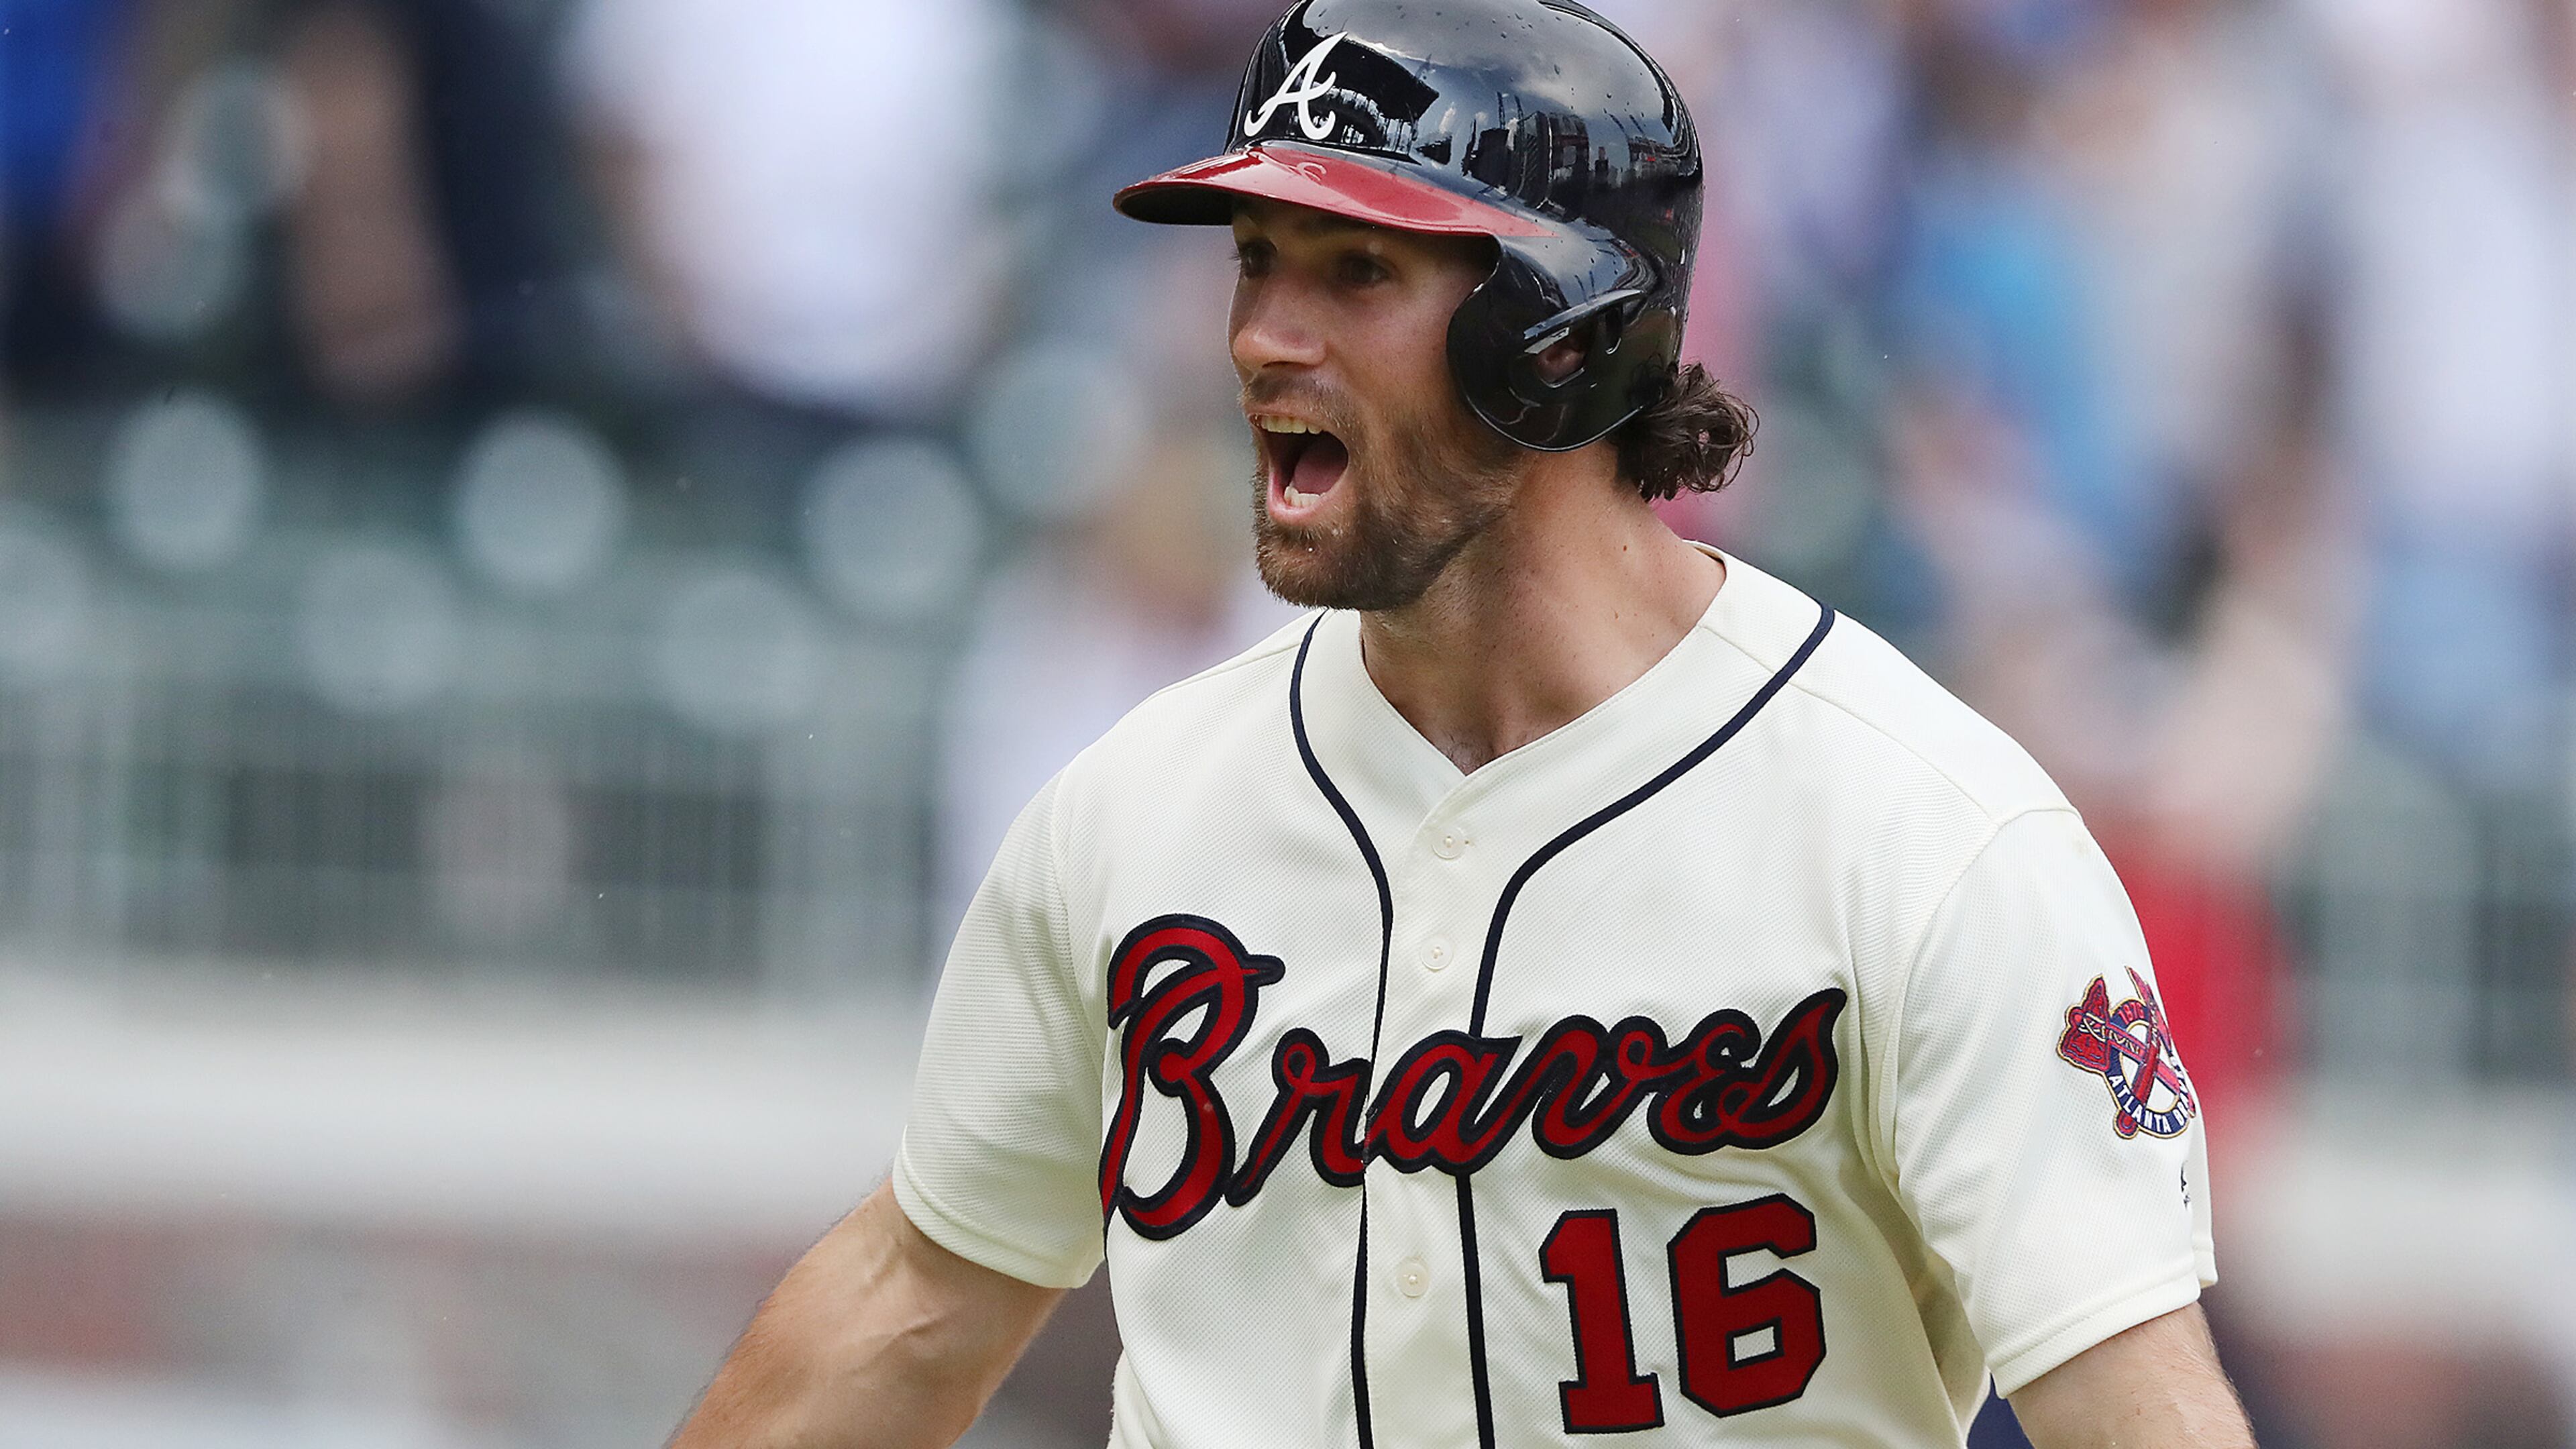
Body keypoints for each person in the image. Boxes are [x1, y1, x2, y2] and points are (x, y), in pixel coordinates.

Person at [669, 3, 2257, 1446]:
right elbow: (908, 1304)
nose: (1263, 337)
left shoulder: (1925, 835)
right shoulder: (1131, 813)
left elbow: (2140, 1411)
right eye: (1255, 260)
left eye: (1356, 271)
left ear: (1562, 336)